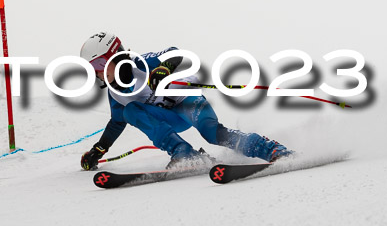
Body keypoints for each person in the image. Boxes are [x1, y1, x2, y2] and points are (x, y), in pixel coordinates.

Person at [79, 32, 293, 171]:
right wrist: (98, 150)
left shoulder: (141, 63)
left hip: (188, 102)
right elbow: (116, 123)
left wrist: (163, 68)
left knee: (212, 133)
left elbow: (175, 52)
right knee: (130, 111)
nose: (95, 73)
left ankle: (269, 149)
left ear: (112, 57)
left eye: (96, 65)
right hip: (168, 118)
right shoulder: (116, 94)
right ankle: (183, 152)